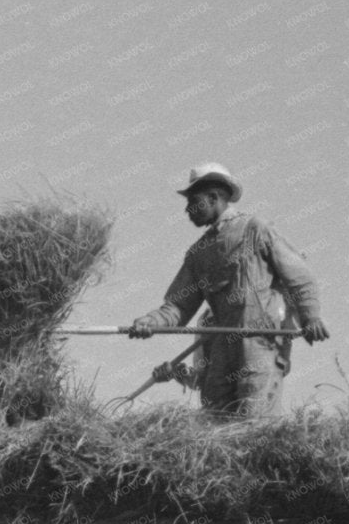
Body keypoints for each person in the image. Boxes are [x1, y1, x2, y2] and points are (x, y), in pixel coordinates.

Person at [126, 163, 330, 417]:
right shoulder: (198, 254)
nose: (187, 210)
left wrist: (310, 316)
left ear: (214, 197)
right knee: (216, 420)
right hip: (221, 347)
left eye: (193, 202)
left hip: (260, 341)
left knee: (256, 420)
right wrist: (151, 322)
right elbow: (178, 306)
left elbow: (299, 276)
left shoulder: (255, 229)